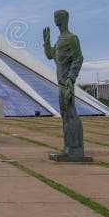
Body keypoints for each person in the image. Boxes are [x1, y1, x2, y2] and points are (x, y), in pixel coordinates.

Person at [43, 9, 86, 158]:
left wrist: (71, 78)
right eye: (54, 16)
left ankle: (75, 149)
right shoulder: (60, 40)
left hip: (66, 83)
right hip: (61, 83)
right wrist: (46, 42)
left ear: (66, 18)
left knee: (71, 114)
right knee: (66, 115)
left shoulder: (72, 39)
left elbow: (78, 59)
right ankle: (69, 146)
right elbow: (50, 55)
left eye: (58, 16)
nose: (56, 18)